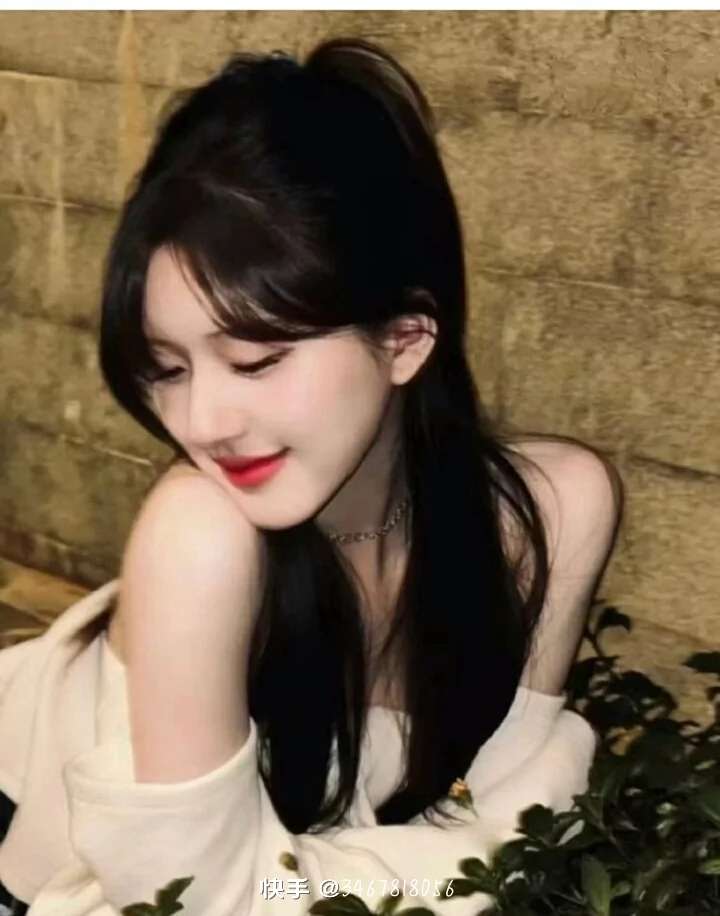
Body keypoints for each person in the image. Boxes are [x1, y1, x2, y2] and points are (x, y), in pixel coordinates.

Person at [0, 37, 623, 915]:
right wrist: (462, 852)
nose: (201, 424)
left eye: (255, 360)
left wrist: (455, 850)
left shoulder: (553, 509)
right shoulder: (199, 533)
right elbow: (212, 901)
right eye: (166, 367)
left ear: (404, 340)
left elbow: (506, 832)